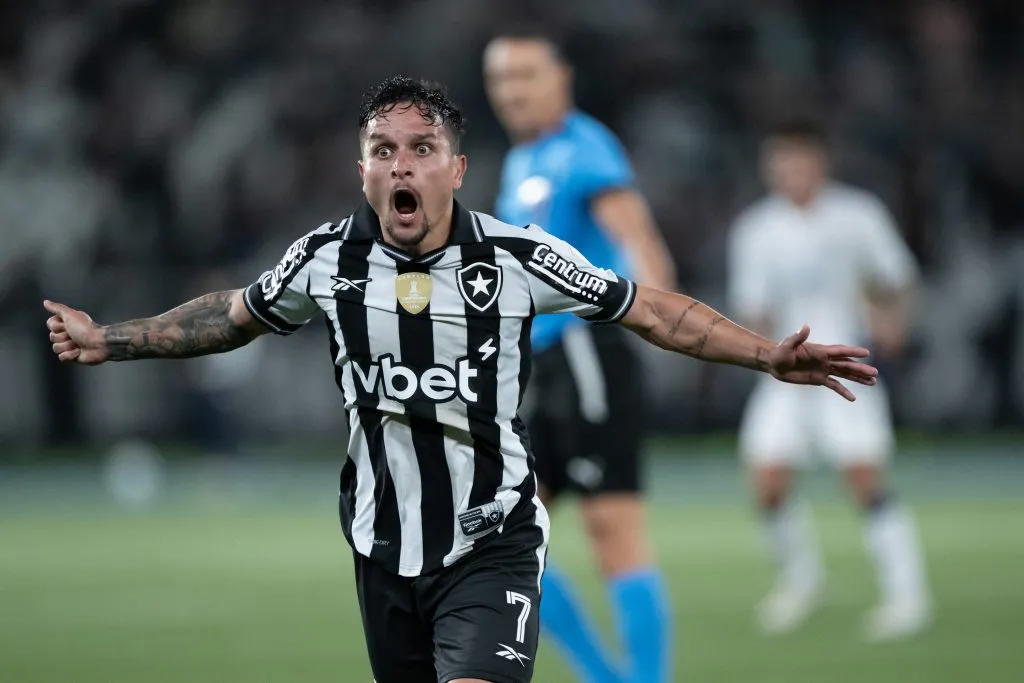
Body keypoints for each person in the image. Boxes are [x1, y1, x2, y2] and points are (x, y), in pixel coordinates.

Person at [44, 77, 879, 683]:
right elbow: (231, 317)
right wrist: (109, 340)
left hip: (492, 538)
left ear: (456, 168)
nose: (401, 166)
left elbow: (651, 310)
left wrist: (766, 355)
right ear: (363, 172)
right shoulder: (325, 259)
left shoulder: (516, 257)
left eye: (422, 149)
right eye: (383, 151)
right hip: (381, 546)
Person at [483, 30, 677, 683]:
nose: (513, 90)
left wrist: (668, 322)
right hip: (543, 366)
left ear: (561, 77)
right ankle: (608, 677)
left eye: (526, 74)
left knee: (613, 529)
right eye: (501, 78)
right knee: (501, 535)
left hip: (591, 351)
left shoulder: (584, 148)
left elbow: (639, 238)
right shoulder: (523, 160)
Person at [726, 119, 932, 641]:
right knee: (767, 484)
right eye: (781, 161)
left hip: (845, 365)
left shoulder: (856, 215)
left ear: (820, 162)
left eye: (799, 159)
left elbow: (896, 278)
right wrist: (761, 351)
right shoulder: (757, 229)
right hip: (785, 373)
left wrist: (893, 324)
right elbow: (752, 307)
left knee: (864, 479)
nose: (790, 170)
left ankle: (908, 595)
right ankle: (803, 581)